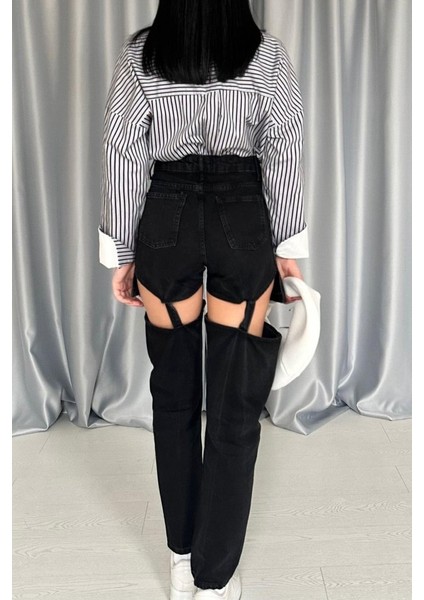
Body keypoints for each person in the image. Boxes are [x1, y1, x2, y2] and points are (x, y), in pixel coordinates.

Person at [98, 1, 309, 598]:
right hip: (242, 214)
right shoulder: (266, 54)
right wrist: (287, 244)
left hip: (166, 216)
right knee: (235, 401)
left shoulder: (141, 55)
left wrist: (123, 251)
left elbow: (123, 151)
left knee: (173, 400)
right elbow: (284, 147)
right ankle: (214, 579)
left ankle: (181, 557)